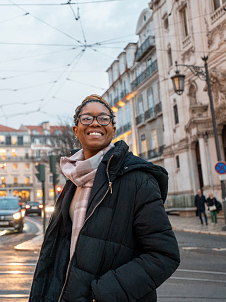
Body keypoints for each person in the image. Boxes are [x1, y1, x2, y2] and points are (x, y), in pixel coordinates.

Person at [29, 95, 180, 301]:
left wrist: (102, 294)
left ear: (112, 129)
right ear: (76, 130)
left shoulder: (139, 180)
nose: (95, 124)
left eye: (103, 118)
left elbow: (164, 255)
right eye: (87, 119)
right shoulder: (73, 179)